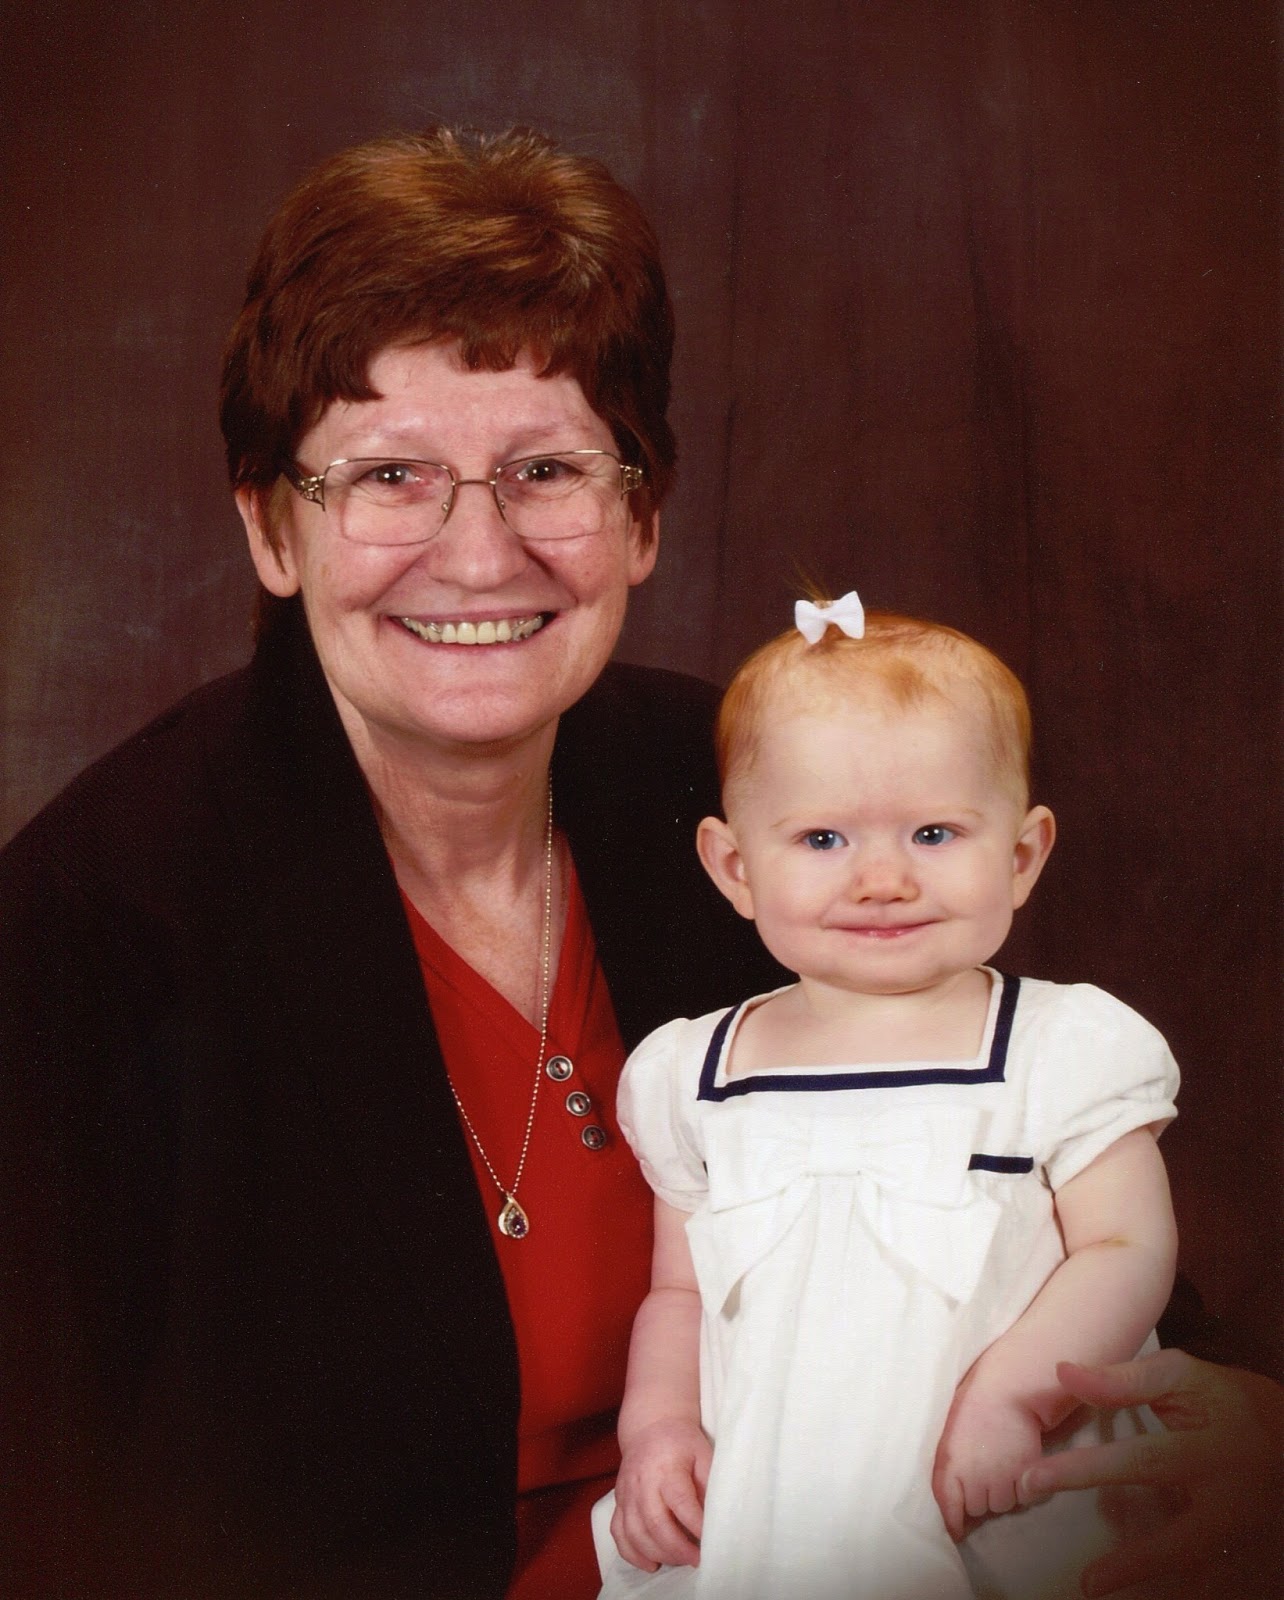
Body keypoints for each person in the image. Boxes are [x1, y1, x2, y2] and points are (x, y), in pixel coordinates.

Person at [0, 127, 1277, 1600]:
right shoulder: (88, 933)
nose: (478, 554)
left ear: (643, 516)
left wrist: (1248, 1431)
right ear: (271, 530)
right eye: (390, 475)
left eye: (547, 470)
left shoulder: (749, 796)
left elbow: (1044, 1213)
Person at [595, 597, 1182, 1599]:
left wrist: (1012, 1398)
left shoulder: (1059, 1049)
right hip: (770, 1506)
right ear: (735, 868)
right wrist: (657, 1428)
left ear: (1022, 855)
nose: (880, 879)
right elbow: (680, 1292)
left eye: (934, 833)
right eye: (822, 839)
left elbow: (1127, 1249)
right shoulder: (695, 1074)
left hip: (995, 1486)